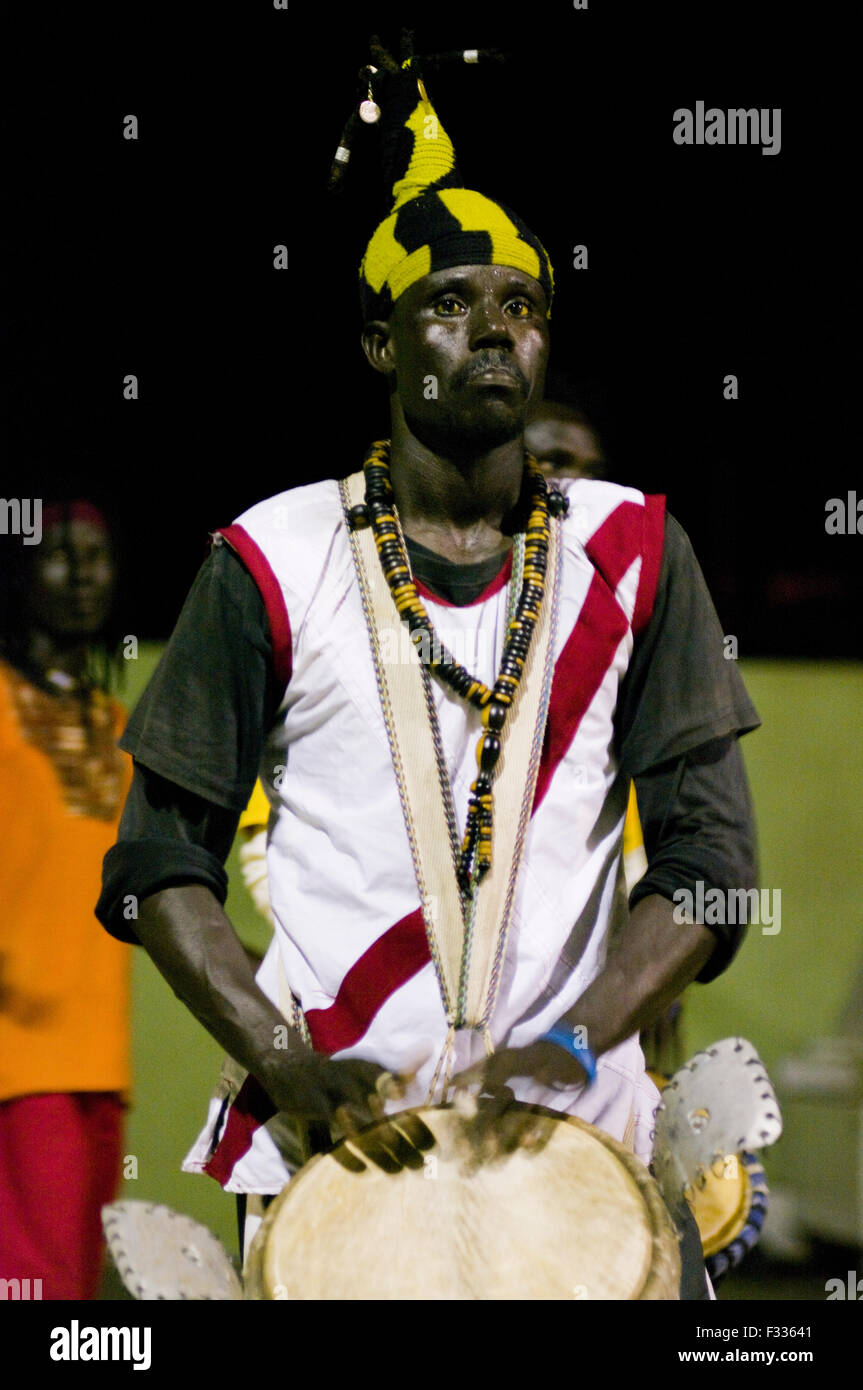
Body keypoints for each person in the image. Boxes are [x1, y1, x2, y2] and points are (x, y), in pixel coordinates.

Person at [96, 40, 760, 1296]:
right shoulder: (270, 558)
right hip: (339, 1142)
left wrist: (577, 1037)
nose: (493, 332)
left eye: (519, 305)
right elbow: (155, 861)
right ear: (375, 344)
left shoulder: (638, 551)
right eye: (449, 307)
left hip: (577, 1137)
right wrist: (275, 1052)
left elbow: (711, 864)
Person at [0, 500, 132, 1300]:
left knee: (72, 1295)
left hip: (99, 1061)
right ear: (17, 572)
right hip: (16, 1060)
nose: (83, 572)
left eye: (97, 553)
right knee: (33, 1293)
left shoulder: (113, 724)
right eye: (58, 553)